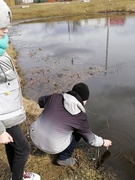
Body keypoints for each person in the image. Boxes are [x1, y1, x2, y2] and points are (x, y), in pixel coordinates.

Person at [0, 1, 40, 180]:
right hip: (2, 117)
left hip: (7, 112)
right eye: (1, 27)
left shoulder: (1, 51)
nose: (6, 31)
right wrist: (0, 130)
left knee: (14, 145)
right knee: (23, 148)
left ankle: (16, 174)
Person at [30, 82, 112, 166]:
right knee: (78, 132)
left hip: (33, 136)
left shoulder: (55, 97)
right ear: (84, 100)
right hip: (51, 147)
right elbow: (90, 139)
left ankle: (43, 140)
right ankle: (63, 158)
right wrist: (103, 142)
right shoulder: (80, 117)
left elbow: (40, 101)